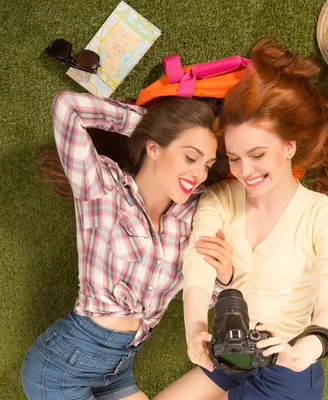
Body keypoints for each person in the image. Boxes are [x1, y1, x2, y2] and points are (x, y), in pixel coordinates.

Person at [154, 37, 328, 400]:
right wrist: (194, 330)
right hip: (231, 352)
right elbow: (199, 260)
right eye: (235, 157)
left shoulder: (322, 214)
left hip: (288, 366)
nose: (245, 171)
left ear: (289, 147)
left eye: (257, 154)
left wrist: (312, 344)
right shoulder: (221, 198)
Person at [21, 92, 235, 400]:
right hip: (63, 369)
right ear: (154, 148)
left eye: (207, 165)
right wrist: (152, 125)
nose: (199, 173)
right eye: (190, 157)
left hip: (118, 369)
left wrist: (225, 278)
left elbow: (205, 294)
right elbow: (67, 108)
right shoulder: (104, 188)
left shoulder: (193, 215)